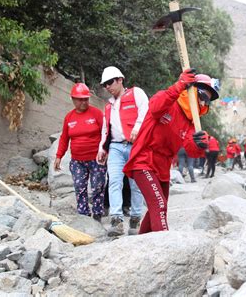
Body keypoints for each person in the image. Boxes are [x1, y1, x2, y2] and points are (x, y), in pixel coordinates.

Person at [122, 69, 219, 234]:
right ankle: (165, 246)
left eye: (207, 101)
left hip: (163, 167)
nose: (203, 104)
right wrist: (179, 85)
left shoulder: (190, 123)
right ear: (192, 90)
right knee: (158, 205)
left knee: (159, 207)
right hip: (144, 160)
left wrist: (200, 144)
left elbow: (191, 149)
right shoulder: (169, 101)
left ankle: (140, 243)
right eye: (203, 97)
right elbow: (155, 107)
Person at [96, 66, 148, 236]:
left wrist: (138, 127)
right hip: (116, 147)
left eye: (110, 82)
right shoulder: (109, 106)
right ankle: (116, 221)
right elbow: (106, 129)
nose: (107, 87)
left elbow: (146, 111)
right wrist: (101, 148)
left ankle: (135, 220)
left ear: (120, 80)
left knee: (136, 184)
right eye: (105, 84)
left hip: (136, 145)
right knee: (114, 181)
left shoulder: (136, 93)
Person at [54, 83, 106, 222]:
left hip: (97, 159)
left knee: (97, 187)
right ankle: (83, 216)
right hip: (77, 161)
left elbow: (105, 134)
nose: (83, 102)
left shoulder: (96, 114)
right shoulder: (69, 117)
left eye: (86, 99)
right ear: (73, 99)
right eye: (80, 99)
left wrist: (106, 152)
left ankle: (97, 214)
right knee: (79, 188)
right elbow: (64, 138)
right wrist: (59, 156)